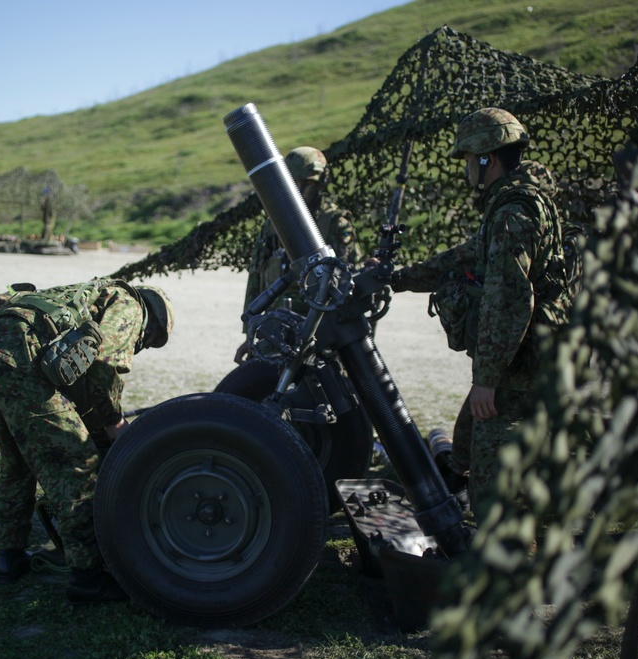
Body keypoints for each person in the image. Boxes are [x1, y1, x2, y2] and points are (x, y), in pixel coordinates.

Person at [387, 108, 571, 523]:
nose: (468, 168)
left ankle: (507, 566)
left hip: (517, 367)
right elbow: (468, 254)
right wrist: (400, 279)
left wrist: (486, 380)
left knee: (496, 481)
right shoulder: (520, 201)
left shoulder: (511, 213)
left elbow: (508, 299)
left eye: (470, 159)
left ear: (486, 158)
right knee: (469, 442)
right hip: (531, 359)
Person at [0, 281, 174, 604]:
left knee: (17, 461)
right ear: (155, 324)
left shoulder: (86, 294)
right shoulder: (131, 306)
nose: (144, 345)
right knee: (77, 465)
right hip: (21, 363)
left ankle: (10, 558)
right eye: (152, 341)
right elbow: (104, 364)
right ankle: (87, 578)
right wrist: (114, 422)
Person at [235, 146, 363, 363]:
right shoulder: (272, 224)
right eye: (294, 183)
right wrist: (251, 331)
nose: (301, 190)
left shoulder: (334, 223)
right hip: (276, 327)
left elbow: (351, 281)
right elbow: (257, 277)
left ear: (321, 183)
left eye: (308, 184)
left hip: (320, 329)